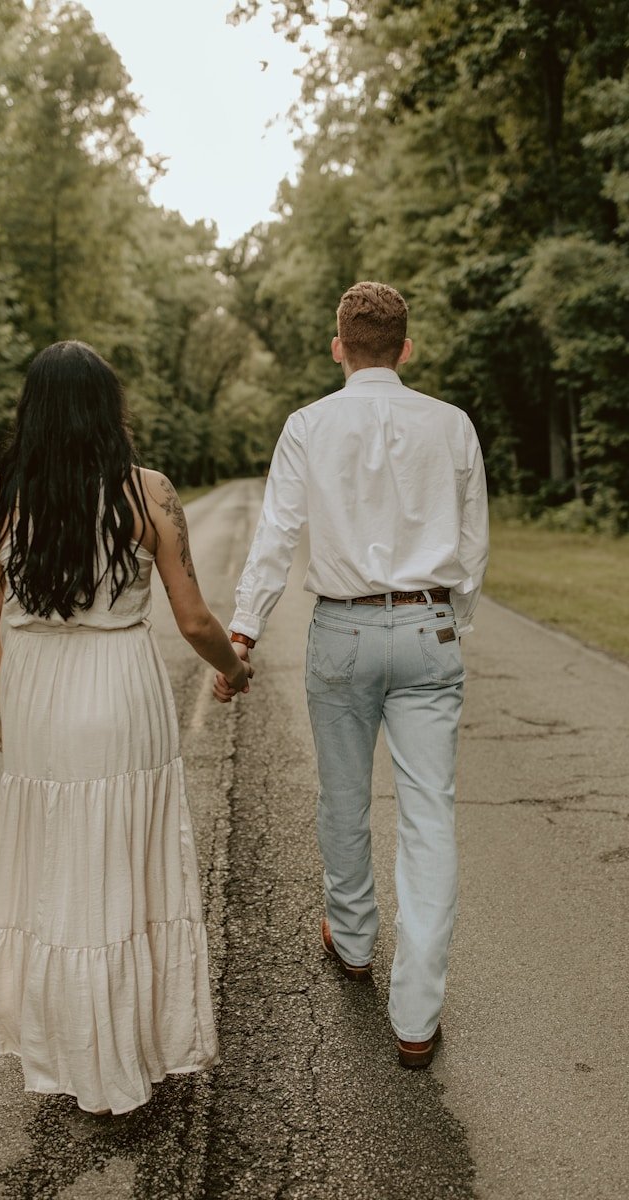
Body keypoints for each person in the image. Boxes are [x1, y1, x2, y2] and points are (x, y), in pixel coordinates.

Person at [0, 340, 251, 1115]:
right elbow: (195, 620)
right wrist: (234, 668)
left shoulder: (1, 497)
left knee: (55, 870)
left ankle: (66, 1048)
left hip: (38, 695)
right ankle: (127, 1049)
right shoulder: (148, 492)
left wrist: (10, 706)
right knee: (128, 862)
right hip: (123, 688)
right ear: (108, 408)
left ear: (32, 410)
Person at [215, 281, 489, 1068]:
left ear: (339, 347)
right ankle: (416, 1017)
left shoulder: (309, 425)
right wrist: (452, 622)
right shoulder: (451, 424)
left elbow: (276, 533)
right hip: (429, 626)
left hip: (342, 629)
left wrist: (245, 629)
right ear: (406, 349)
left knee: (343, 796)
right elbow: (472, 543)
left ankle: (355, 937)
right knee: (428, 816)